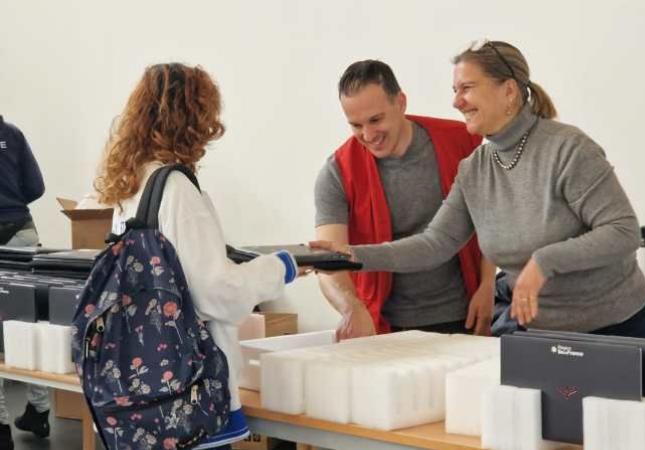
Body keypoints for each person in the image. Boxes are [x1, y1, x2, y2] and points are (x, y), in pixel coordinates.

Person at [314, 41, 645, 339]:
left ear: (508, 91)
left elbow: (623, 232)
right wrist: (354, 256)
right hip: (542, 332)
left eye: (466, 88)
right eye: (455, 91)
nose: (456, 102)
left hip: (614, 325)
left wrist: (544, 261)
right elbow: (435, 244)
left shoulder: (568, 149)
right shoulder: (475, 167)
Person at [93, 63, 301, 450]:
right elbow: (214, 293)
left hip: (139, 386)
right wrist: (280, 268)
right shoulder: (176, 189)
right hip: (187, 388)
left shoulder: (130, 187)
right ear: (196, 117)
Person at [315, 60, 496, 340]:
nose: (368, 135)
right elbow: (329, 260)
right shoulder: (337, 172)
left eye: (376, 120)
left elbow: (489, 218)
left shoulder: (462, 141)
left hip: (466, 315)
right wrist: (351, 308)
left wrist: (488, 285)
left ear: (400, 102)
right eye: (356, 125)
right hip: (386, 326)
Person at [0, 115, 52, 449]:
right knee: (30, 322)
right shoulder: (13, 133)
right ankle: (40, 409)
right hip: (21, 234)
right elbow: (36, 187)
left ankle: (1, 426)